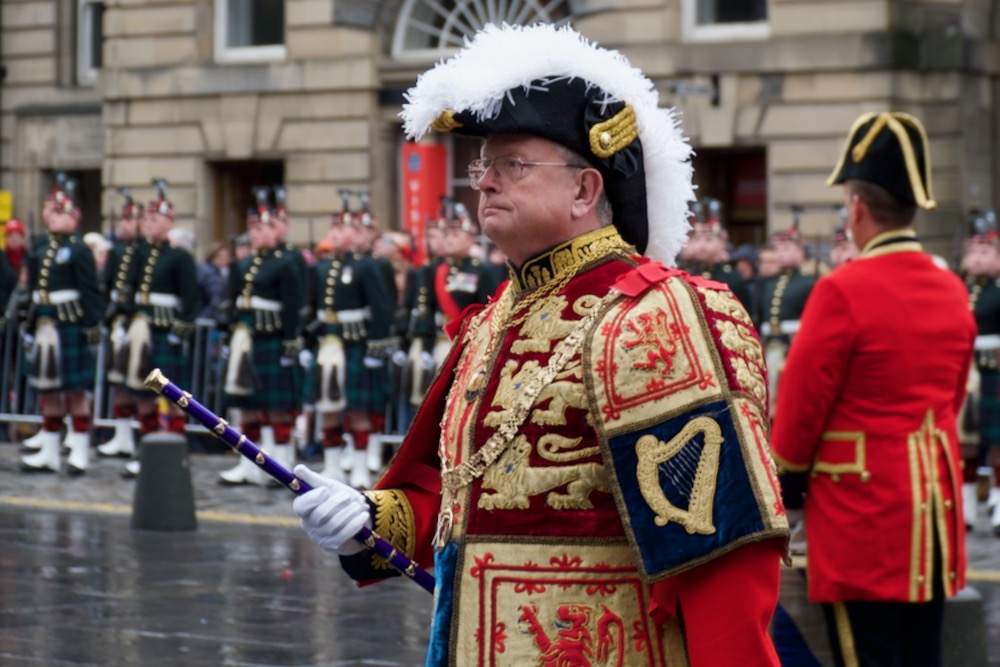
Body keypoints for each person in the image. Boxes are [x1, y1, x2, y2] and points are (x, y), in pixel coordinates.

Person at [292, 23, 787, 666]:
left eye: (512, 165)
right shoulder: (498, 313)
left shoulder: (654, 312)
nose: (484, 183)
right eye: (483, 166)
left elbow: (722, 558)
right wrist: (367, 517)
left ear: (585, 190)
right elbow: (462, 502)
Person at [770, 111, 975, 667]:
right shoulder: (954, 289)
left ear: (856, 208)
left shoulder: (842, 290)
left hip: (863, 526)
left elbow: (796, 421)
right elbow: (951, 399)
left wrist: (785, 496)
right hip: (932, 521)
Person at [20, 175, 103, 474]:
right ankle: (50, 453)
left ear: (74, 216)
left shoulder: (79, 249)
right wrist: (28, 326)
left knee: (75, 392)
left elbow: (90, 292)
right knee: (48, 392)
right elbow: (33, 292)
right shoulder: (41, 247)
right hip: (45, 326)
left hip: (70, 326)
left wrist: (92, 327)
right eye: (49, 209)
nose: (50, 215)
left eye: (58, 211)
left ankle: (79, 451)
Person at [217, 195, 303, 485]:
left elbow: (293, 306)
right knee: (247, 404)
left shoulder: (285, 263)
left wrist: (291, 343)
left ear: (275, 231)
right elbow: (232, 301)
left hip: (273, 340)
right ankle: (248, 465)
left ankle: (278, 465)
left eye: (262, 228)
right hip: (248, 340)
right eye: (252, 229)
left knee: (275, 407)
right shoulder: (244, 265)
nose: (256, 234)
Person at [119, 180, 202, 478]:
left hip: (165, 331)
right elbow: (129, 292)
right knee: (142, 395)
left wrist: (180, 330)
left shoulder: (179, 257)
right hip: (142, 330)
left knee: (171, 396)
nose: (147, 224)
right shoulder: (139, 253)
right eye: (146, 219)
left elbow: (192, 299)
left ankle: (175, 453)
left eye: (154, 219)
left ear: (169, 222)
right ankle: (147, 452)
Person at [958, 209, 1000, 533]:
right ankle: (967, 509)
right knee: (967, 444)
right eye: (973, 251)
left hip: (995, 372)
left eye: (984, 251)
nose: (977, 258)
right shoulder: (960, 288)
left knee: (998, 444)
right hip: (967, 374)